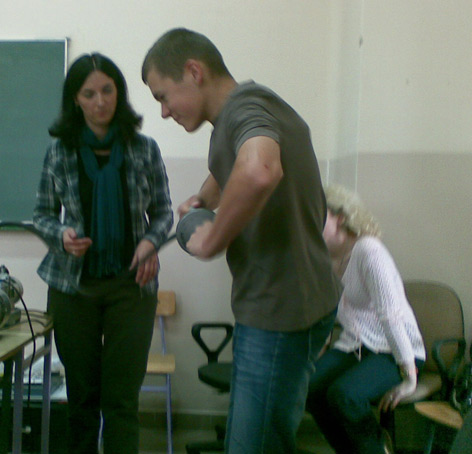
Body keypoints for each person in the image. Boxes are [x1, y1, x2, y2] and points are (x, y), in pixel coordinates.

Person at [142, 28, 341, 454]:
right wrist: (205, 198)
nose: (163, 111)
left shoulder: (245, 109)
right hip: (291, 302)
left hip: (279, 314)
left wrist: (213, 239)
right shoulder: (245, 110)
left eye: (163, 96)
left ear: (194, 71)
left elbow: (259, 170)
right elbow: (237, 164)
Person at [33, 52, 173, 454]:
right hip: (73, 288)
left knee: (122, 401)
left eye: (107, 90)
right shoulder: (59, 152)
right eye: (89, 93)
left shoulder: (144, 149)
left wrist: (151, 242)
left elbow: (164, 212)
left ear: (119, 92)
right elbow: (42, 215)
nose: (100, 101)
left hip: (132, 287)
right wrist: (62, 235)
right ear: (75, 100)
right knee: (82, 400)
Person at [306, 184, 426, 454]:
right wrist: (318, 356)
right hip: (355, 346)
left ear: (341, 218)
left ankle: (376, 447)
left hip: (396, 350)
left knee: (344, 395)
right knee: (309, 388)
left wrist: (409, 377)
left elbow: (391, 315)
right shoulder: (325, 259)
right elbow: (325, 314)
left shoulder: (369, 251)